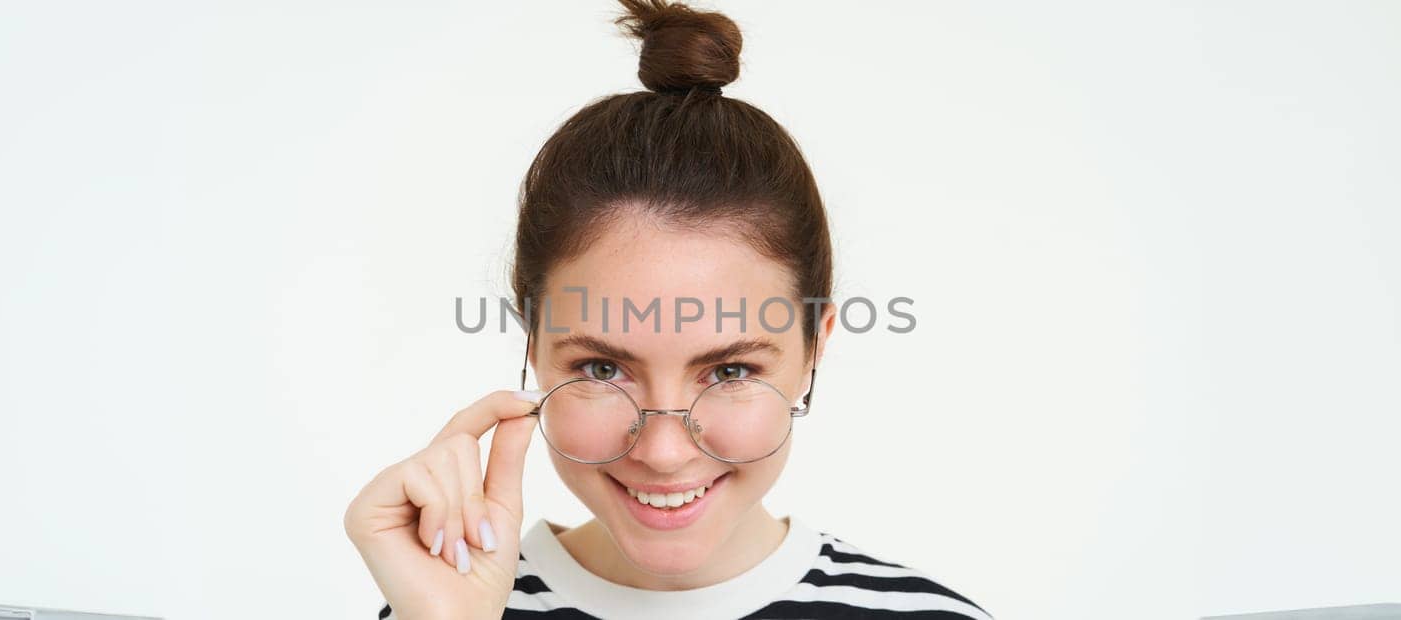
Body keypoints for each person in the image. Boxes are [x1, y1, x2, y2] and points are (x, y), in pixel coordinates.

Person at [343, 1, 992, 618]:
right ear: (531, 345)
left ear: (813, 349)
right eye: (601, 369)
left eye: (730, 372)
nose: (662, 451)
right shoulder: (443, 607)